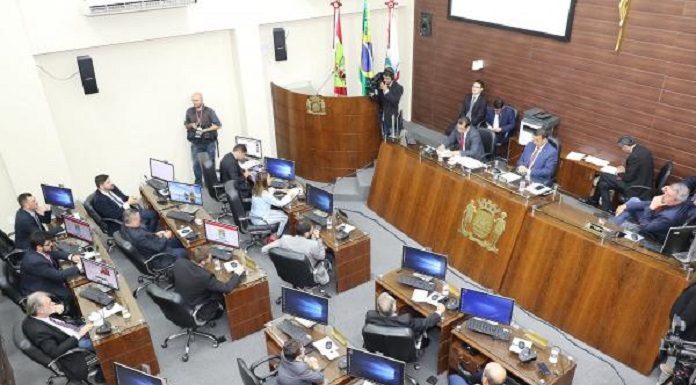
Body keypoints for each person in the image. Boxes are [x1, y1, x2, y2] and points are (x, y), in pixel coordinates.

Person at [22, 291, 98, 382]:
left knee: (98, 317)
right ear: (40, 310)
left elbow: (65, 320)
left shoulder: (42, 314)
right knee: (107, 338)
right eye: (49, 303)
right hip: (74, 345)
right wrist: (78, 334)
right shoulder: (38, 331)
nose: (53, 303)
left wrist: (62, 309)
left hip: (75, 329)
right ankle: (102, 374)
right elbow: (55, 352)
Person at [172, 246, 245, 322]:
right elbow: (226, 288)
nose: (211, 257)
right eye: (210, 256)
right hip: (195, 306)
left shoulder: (180, 262)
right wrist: (237, 274)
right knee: (220, 294)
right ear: (203, 261)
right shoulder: (204, 277)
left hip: (180, 300)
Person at [583, 135, 654, 212]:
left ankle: (594, 200)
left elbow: (628, 178)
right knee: (603, 184)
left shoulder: (634, 156)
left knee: (604, 175)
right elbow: (636, 171)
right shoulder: (643, 150)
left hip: (634, 188)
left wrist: (620, 172)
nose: (622, 150)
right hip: (641, 184)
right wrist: (624, 170)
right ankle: (605, 209)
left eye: (622, 148)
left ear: (626, 146)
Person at [20, 231, 82, 315]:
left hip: (41, 278)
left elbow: (52, 254)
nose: (52, 244)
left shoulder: (35, 249)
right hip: (38, 287)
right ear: (39, 247)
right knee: (67, 294)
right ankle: (73, 314)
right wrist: (79, 267)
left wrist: (70, 257)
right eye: (48, 244)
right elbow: (58, 276)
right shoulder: (35, 261)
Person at [611, 182, 691, 242]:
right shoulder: (675, 201)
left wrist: (651, 208)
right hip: (653, 218)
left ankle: (610, 227)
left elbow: (645, 228)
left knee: (627, 214)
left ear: (676, 200)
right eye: (666, 190)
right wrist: (625, 206)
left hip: (651, 234)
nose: (664, 194)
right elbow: (650, 203)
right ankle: (612, 226)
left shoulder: (669, 217)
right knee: (633, 201)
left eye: (668, 194)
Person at [261, 220, 330, 285]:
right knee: (328, 258)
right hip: (307, 274)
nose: (312, 232)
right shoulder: (313, 244)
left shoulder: (285, 239)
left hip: (287, 271)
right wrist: (318, 240)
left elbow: (264, 250)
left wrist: (277, 257)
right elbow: (322, 256)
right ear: (306, 234)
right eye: (311, 231)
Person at [120, 209, 188, 267]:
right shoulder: (138, 237)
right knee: (183, 252)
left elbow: (145, 236)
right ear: (133, 220)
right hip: (158, 256)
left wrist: (156, 234)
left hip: (153, 243)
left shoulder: (124, 226)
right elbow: (157, 248)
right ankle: (183, 268)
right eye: (138, 218)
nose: (140, 219)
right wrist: (165, 237)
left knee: (178, 241)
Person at [92, 174, 158, 233]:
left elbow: (123, 197)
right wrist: (128, 203)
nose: (112, 183)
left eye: (110, 181)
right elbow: (114, 215)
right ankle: (149, 236)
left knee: (152, 213)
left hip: (129, 211)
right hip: (121, 218)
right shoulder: (99, 200)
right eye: (108, 182)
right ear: (101, 186)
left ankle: (148, 233)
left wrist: (131, 198)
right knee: (152, 215)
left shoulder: (112, 187)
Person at [365, 292, 445, 340]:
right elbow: (425, 323)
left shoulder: (370, 316)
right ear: (394, 307)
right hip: (403, 349)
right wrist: (439, 311)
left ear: (378, 308)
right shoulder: (405, 320)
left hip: (382, 345)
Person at [184, 92, 222, 185]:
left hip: (209, 142)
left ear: (201, 100)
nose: (194, 102)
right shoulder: (189, 111)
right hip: (195, 142)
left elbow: (218, 125)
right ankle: (198, 183)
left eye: (196, 100)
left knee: (210, 164)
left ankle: (212, 183)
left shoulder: (210, 111)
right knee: (196, 164)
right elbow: (186, 124)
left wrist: (205, 130)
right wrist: (191, 125)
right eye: (193, 100)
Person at [249, 172, 299, 239]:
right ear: (264, 181)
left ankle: (277, 232)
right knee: (285, 217)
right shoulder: (265, 194)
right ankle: (277, 236)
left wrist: (281, 190)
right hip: (261, 219)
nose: (271, 179)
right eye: (269, 178)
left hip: (254, 215)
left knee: (281, 212)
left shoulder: (256, 188)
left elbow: (270, 190)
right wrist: (290, 195)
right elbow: (280, 203)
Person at [372, 67, 403, 138]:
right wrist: (374, 96)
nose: (385, 81)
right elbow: (380, 100)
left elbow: (395, 101)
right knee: (384, 137)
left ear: (392, 78)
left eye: (387, 79)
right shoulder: (382, 86)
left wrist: (386, 90)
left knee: (393, 141)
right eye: (384, 78)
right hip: (383, 118)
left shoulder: (399, 88)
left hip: (392, 120)